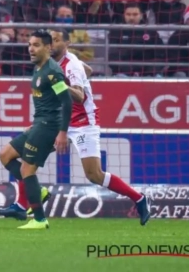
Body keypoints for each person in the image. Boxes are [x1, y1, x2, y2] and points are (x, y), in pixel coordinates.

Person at [50, 29, 151, 225]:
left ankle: (139, 198)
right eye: (50, 40)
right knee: (28, 149)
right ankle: (26, 203)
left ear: (67, 43)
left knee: (94, 175)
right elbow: (88, 70)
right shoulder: (58, 62)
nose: (51, 44)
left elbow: (79, 96)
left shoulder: (71, 65)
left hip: (83, 122)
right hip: (62, 119)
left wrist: (60, 84)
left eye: (56, 40)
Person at [0, 29, 72, 229]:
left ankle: (39, 219)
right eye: (29, 45)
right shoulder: (38, 67)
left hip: (49, 126)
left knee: (27, 169)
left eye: (36, 45)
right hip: (40, 123)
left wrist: (63, 132)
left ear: (48, 47)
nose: (31, 49)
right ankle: (38, 190)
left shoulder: (52, 72)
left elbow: (67, 102)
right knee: (5, 155)